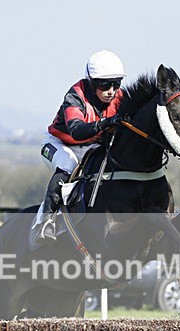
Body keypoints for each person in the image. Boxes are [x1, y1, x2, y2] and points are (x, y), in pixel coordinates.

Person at [31, 50, 126, 246]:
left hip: (90, 146)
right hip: (58, 144)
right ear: (91, 82)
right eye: (104, 84)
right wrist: (105, 123)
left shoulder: (119, 97)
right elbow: (76, 131)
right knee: (68, 164)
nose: (111, 90)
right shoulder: (76, 95)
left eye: (116, 84)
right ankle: (44, 222)